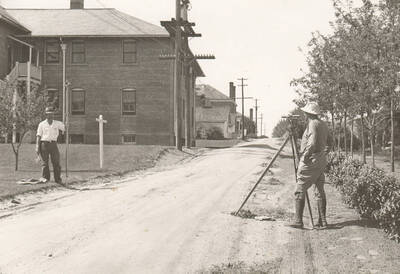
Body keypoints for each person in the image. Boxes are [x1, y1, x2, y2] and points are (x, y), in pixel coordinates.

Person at [288, 102, 329, 229]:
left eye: (305, 113)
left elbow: (311, 143)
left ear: (308, 113)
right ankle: (322, 221)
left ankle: (298, 221)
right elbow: (329, 142)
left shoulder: (312, 124)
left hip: (311, 161)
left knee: (299, 189)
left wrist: (305, 157)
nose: (304, 115)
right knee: (319, 190)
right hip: (320, 160)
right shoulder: (322, 124)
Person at [36, 107, 65, 183]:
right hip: (44, 144)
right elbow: (38, 136)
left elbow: (65, 128)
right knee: (44, 163)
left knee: (56, 162)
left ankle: (58, 179)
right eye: (48, 114)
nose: (50, 116)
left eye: (52, 114)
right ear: (46, 115)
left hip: (53, 144)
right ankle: (45, 178)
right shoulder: (41, 124)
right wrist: (37, 146)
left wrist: (67, 124)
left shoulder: (57, 123)